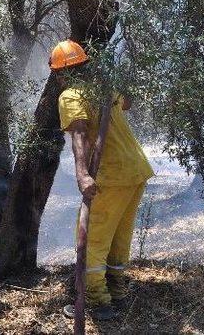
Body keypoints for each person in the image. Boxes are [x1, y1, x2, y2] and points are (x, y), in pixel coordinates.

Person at [49, 39, 154, 320]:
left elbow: (80, 133)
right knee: (119, 235)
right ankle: (117, 292)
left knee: (92, 238)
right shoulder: (103, 88)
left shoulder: (70, 95)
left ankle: (97, 300)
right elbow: (128, 101)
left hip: (111, 174)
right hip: (136, 171)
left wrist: (83, 174)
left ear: (60, 74)